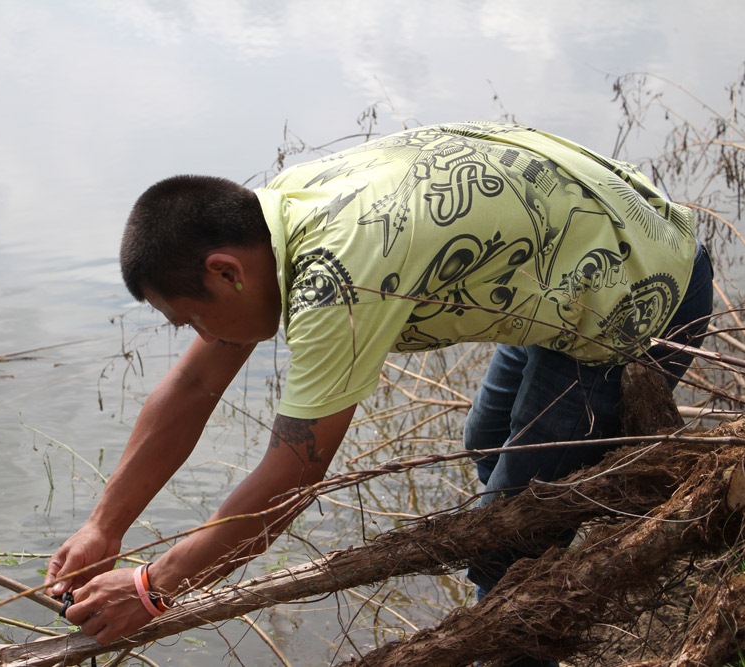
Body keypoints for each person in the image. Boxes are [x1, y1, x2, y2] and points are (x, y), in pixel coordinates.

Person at [44, 121, 713, 664]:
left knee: (505, 544)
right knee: (488, 444)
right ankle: (548, 549)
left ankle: (523, 621)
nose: (197, 336)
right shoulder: (280, 215)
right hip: (579, 264)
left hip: (641, 293)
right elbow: (193, 384)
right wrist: (105, 525)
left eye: (190, 317)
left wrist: (154, 588)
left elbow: (288, 480)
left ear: (226, 271)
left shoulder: (337, 278)